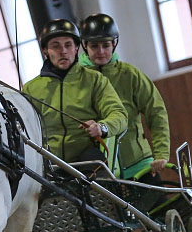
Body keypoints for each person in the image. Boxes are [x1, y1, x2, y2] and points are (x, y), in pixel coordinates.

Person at [80, 13, 170, 181]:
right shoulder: (77, 79)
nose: (101, 52)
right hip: (100, 171)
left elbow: (156, 112)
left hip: (140, 163)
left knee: (162, 206)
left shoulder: (131, 75)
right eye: (94, 46)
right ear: (85, 45)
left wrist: (161, 153)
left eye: (106, 45)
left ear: (114, 44)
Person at [22, 19, 127, 164]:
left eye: (68, 45)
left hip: (88, 159)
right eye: (55, 46)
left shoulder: (95, 80)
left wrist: (102, 127)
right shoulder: (30, 88)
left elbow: (120, 115)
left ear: (77, 48)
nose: (63, 51)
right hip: (48, 162)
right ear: (46, 50)